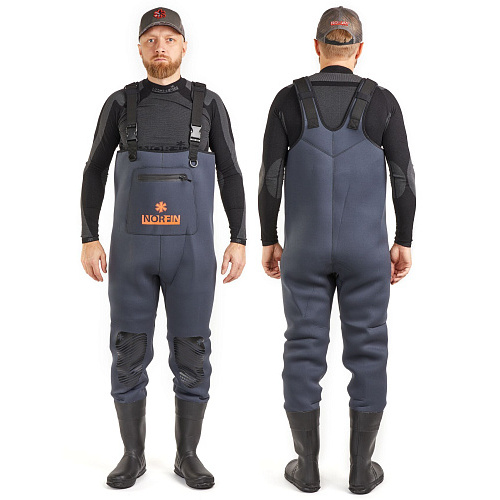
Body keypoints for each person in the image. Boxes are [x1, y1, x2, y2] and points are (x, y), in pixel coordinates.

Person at [80, 7, 246, 490]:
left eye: (169, 38)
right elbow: (93, 170)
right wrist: (88, 236)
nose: (160, 46)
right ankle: (132, 455)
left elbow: (231, 172)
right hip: (129, 254)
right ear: (139, 48)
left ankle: (187, 455)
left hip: (192, 254)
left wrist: (238, 237)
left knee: (193, 350)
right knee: (128, 349)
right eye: (150, 38)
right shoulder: (119, 104)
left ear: (183, 46)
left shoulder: (208, 104)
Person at [259, 6, 415, 494]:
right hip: (366, 250)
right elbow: (403, 178)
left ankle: (306, 468)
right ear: (359, 49)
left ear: (317, 47)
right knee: (368, 350)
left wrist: (268, 238)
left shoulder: (288, 100)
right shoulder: (382, 102)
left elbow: (270, 178)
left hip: (303, 249)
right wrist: (404, 240)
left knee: (303, 349)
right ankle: (361, 471)